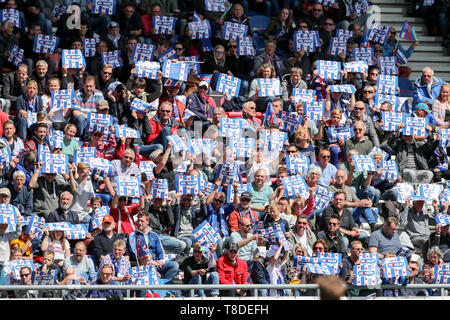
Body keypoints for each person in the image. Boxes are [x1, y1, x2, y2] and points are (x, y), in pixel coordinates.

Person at [126, 211, 179, 280]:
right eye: (138, 221)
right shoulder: (132, 236)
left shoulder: (154, 235)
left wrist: (161, 261)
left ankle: (165, 284)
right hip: (142, 265)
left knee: (174, 265)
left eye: (142, 221)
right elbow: (135, 255)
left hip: (156, 264)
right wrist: (151, 262)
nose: (139, 223)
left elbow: (160, 251)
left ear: (147, 221)